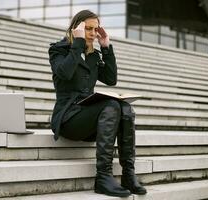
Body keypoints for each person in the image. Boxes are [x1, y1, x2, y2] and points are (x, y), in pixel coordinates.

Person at [48, 10, 147, 197]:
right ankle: (103, 178)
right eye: (88, 29)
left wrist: (106, 47)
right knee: (111, 106)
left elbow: (111, 79)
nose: (93, 33)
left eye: (96, 29)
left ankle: (128, 174)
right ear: (76, 28)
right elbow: (64, 73)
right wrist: (77, 43)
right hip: (69, 119)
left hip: (89, 119)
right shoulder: (58, 50)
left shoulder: (93, 55)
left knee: (125, 108)